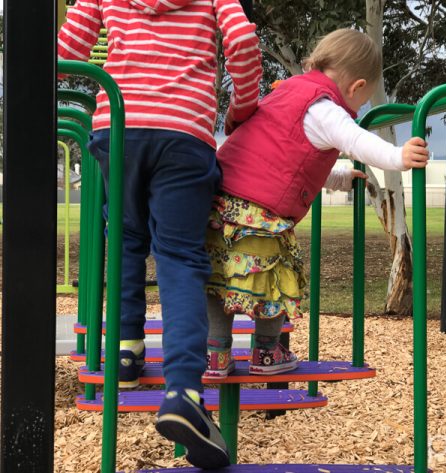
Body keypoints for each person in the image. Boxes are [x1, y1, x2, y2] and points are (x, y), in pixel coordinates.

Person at [58, 0, 262, 468]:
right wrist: (241, 108)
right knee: (180, 258)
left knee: (126, 237)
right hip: (184, 131)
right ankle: (184, 391)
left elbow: (67, 49)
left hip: (119, 127)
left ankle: (126, 352)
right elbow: (245, 45)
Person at [203, 28, 429, 380]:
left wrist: (337, 177)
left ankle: (214, 353)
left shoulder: (287, 92)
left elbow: (288, 159)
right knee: (274, 277)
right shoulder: (325, 108)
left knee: (220, 280)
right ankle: (266, 351)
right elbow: (356, 141)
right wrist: (398, 156)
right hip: (259, 213)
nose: (357, 109)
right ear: (356, 87)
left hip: (219, 204)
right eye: (362, 101)